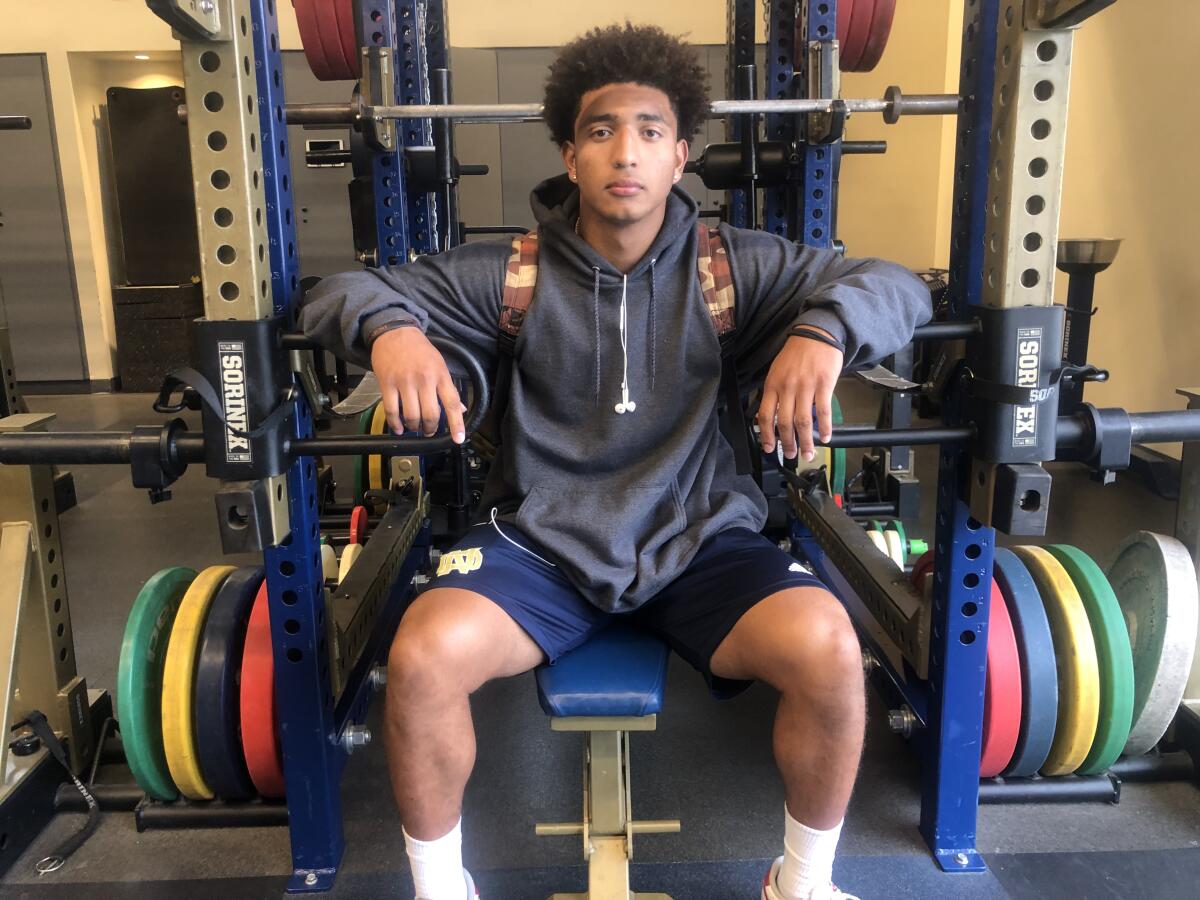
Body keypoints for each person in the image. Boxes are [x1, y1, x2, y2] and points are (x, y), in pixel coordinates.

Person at [300, 22, 931, 900]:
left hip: (698, 540)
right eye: (600, 131)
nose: (623, 151)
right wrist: (391, 329)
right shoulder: (512, 273)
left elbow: (899, 285)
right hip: (545, 546)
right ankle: (441, 888)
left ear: (680, 156)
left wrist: (824, 334)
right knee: (421, 657)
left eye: (646, 131)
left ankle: (802, 883)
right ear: (570, 153)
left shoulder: (732, 268)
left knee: (829, 646)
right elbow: (338, 289)